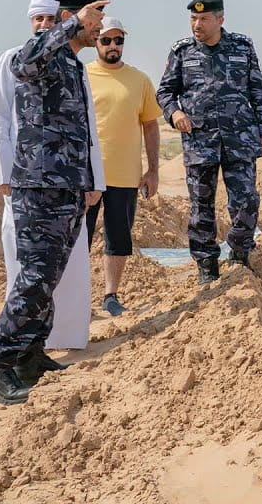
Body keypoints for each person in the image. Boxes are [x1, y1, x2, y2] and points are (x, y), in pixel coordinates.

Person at [0, 0, 108, 405]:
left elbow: (83, 129)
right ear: (70, 18)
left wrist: (88, 181)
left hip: (67, 185)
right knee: (33, 277)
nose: (101, 28)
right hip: (38, 185)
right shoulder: (37, 54)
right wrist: (69, 25)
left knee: (49, 277)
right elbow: (25, 63)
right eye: (95, 19)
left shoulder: (72, 63)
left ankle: (30, 355)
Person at [156, 0, 262, 286]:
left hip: (240, 139)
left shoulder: (242, 47)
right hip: (199, 141)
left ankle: (239, 251)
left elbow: (257, 89)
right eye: (194, 18)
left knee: (246, 201)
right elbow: (165, 92)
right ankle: (206, 263)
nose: (198, 24)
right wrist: (174, 114)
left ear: (220, 19)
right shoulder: (182, 52)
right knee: (200, 206)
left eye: (204, 18)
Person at [85, 16, 161, 316]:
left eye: (119, 40)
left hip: (125, 176)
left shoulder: (139, 79)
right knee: (79, 239)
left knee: (118, 238)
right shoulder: (81, 75)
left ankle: (110, 296)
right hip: (87, 176)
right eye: (106, 40)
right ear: (95, 42)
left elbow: (151, 126)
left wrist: (153, 170)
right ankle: (75, 300)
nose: (113, 46)